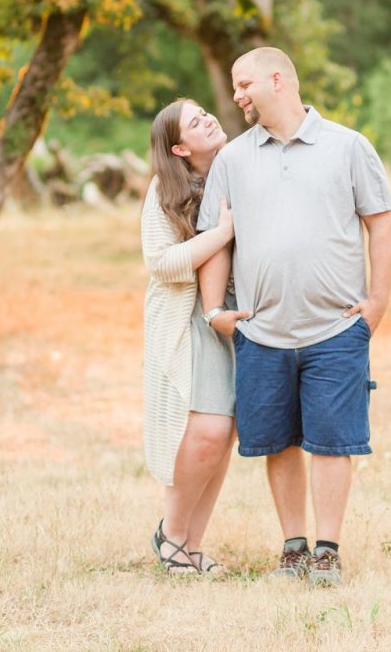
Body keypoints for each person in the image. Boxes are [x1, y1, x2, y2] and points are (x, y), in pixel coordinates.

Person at [196, 46, 391, 587]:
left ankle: (327, 552)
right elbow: (215, 242)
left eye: (244, 84)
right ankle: (293, 549)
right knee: (277, 441)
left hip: (336, 328)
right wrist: (216, 311)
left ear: (277, 79)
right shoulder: (234, 159)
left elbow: (381, 224)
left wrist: (377, 304)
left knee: (334, 441)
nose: (236, 96)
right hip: (261, 332)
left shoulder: (349, 148)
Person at [140, 98, 237, 574]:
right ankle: (171, 534)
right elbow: (161, 264)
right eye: (195, 122)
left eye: (205, 112)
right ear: (179, 147)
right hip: (189, 316)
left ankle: (192, 545)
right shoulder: (165, 190)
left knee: (225, 435)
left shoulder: (241, 166)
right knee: (207, 430)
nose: (208, 120)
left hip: (240, 313)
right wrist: (221, 234)